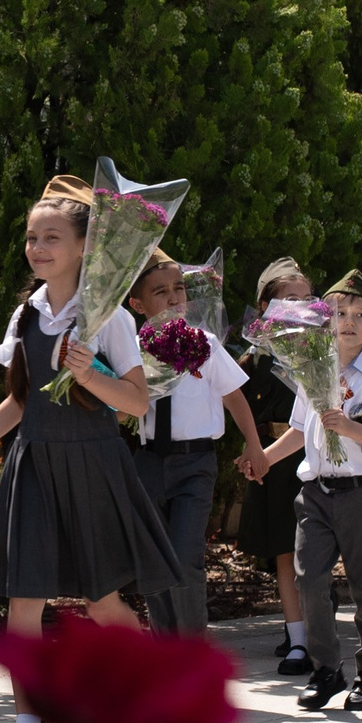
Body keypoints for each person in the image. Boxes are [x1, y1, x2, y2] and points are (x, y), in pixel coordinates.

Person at [0, 176, 177, 723]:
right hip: (35, 463)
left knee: (102, 598)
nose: (38, 247)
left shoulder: (108, 318)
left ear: (83, 247)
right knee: (23, 601)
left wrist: (89, 373)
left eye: (52, 236)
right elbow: (22, 400)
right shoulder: (27, 312)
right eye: (31, 237)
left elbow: (135, 403)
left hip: (91, 461)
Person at [256, 269, 362, 713]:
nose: (348, 321)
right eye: (340, 313)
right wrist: (266, 455)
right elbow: (300, 430)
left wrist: (353, 427)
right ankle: (326, 670)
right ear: (326, 321)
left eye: (360, 314)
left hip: (361, 495)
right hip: (316, 495)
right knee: (311, 581)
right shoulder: (312, 371)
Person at [126, 250, 263, 636]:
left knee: (185, 558)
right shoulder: (134, 350)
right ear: (138, 304)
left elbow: (234, 396)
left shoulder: (204, 343)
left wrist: (253, 445)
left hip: (194, 464)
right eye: (160, 292)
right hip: (150, 462)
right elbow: (122, 408)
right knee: (154, 559)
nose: (173, 298)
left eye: (179, 289)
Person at [235, 258, 318, 673]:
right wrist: (252, 450)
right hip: (276, 458)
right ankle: (298, 639)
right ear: (265, 305)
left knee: (318, 551)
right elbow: (235, 402)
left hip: (318, 454)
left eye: (307, 298)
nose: (301, 306)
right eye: (289, 299)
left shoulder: (326, 346)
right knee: (286, 551)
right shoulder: (254, 357)